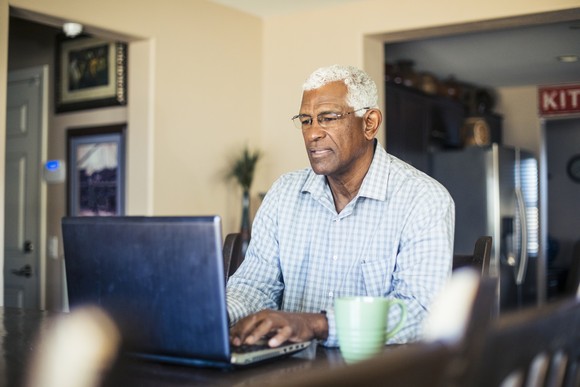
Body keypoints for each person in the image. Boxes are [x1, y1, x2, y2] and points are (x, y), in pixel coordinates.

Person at [227, 64, 454, 348]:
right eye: (306, 120)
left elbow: (421, 311)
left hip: (377, 375)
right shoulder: (284, 192)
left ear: (369, 123)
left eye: (328, 118)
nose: (312, 134)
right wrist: (216, 315)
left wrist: (316, 325)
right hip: (289, 371)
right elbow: (254, 286)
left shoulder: (423, 199)